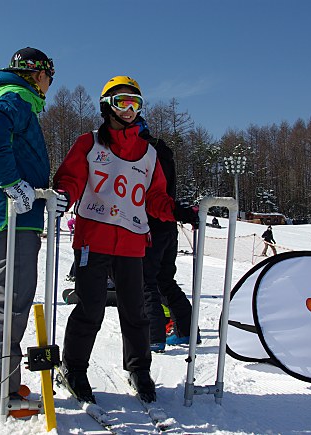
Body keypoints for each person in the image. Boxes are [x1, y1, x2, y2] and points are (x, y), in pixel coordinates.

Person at [53, 76, 199, 404]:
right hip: (94, 238)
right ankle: (73, 368)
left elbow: (155, 197)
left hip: (133, 242)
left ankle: (138, 368)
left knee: (135, 311)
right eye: (122, 102)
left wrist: (179, 211)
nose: (130, 109)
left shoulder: (148, 153)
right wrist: (64, 194)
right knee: (90, 308)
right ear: (108, 105)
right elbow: (72, 177)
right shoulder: (89, 143)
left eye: (135, 103)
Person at [0, 47, 63, 420]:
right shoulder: (15, 99)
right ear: (38, 75)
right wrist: (12, 183)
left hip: (12, 218)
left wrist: (42, 193)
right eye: (50, 77)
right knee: (9, 305)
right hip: (8, 221)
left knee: (3, 304)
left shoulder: (15, 100)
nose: (50, 86)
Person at [141, 138, 200, 353]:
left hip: (151, 224)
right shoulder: (164, 155)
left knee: (146, 282)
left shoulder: (143, 154)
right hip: (168, 223)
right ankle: (188, 330)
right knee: (164, 281)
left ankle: (154, 336)